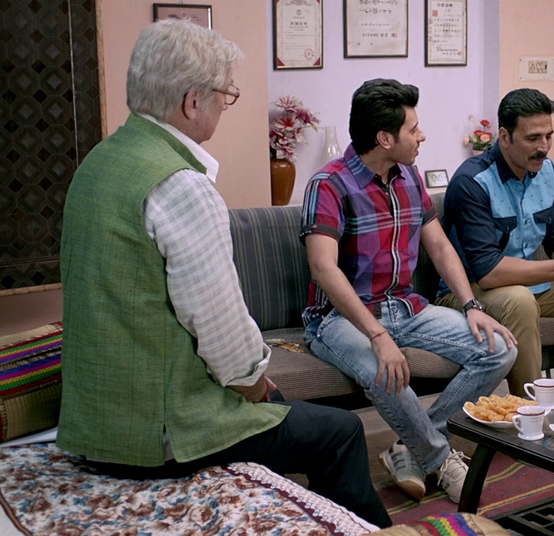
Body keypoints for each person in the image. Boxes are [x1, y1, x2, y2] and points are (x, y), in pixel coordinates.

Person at [57, 20, 390, 527]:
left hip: (94, 423)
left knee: (289, 413)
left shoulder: (98, 164)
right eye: (226, 95)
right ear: (194, 101)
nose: (224, 106)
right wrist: (257, 385)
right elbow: (221, 332)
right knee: (339, 432)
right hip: (160, 434)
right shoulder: (180, 186)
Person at [301, 78, 518, 504]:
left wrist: (472, 305)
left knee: (499, 348)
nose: (422, 136)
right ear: (385, 138)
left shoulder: (410, 177)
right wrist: (377, 336)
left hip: (406, 308)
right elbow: (323, 268)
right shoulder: (328, 185)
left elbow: (440, 246)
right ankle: (438, 459)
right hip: (340, 319)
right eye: (413, 129)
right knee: (387, 371)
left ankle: (410, 448)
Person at [437, 88, 554, 396]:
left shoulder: (546, 171)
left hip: (526, 285)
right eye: (533, 138)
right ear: (504, 136)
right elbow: (488, 272)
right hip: (468, 293)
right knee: (519, 300)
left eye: (548, 136)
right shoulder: (472, 182)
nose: (544, 147)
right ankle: (532, 408)